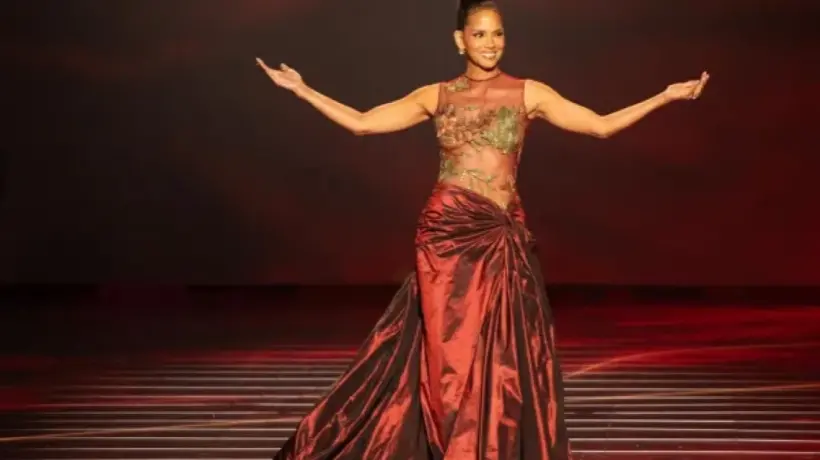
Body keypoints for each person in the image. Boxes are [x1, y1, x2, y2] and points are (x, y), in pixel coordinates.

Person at [256, 1, 708, 458]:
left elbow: (600, 126)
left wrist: (665, 96)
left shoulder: (529, 93)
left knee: (503, 350)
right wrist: (303, 90)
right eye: (479, 34)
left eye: (498, 34)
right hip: (447, 231)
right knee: (448, 353)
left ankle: (489, 443)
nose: (491, 44)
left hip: (498, 233)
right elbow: (363, 123)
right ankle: (448, 441)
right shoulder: (436, 95)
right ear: (460, 40)